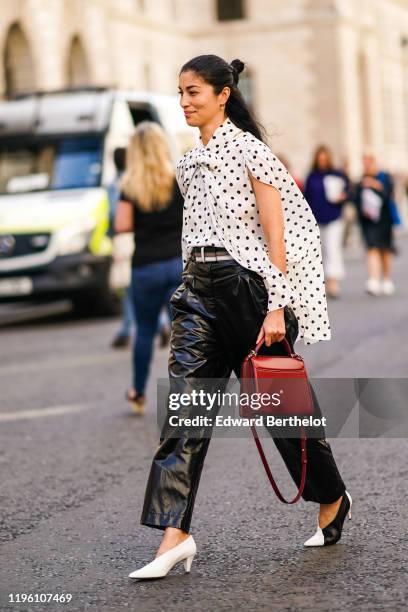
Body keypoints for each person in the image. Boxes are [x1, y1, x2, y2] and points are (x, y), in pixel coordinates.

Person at [129, 55, 351, 580]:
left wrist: (277, 304)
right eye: (180, 93)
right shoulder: (186, 162)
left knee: (281, 416)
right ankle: (174, 535)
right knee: (184, 415)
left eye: (194, 92)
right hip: (197, 294)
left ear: (223, 94)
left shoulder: (251, 152)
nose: (184, 102)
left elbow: (278, 235)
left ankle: (332, 496)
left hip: (251, 293)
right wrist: (187, 283)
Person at [114, 121, 184, 414]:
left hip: (145, 266)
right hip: (178, 263)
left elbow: (122, 224)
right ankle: (185, 396)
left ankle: (138, 393)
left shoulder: (129, 186)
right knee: (182, 333)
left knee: (144, 331)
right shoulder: (177, 179)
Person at [304, 145, 350, 299]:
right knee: (320, 251)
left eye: (325, 158)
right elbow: (306, 198)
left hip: (334, 217)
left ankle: (333, 282)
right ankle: (321, 282)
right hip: (316, 219)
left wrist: (343, 197)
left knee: (332, 248)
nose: (322, 161)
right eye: (320, 159)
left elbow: (348, 191)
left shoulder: (337, 174)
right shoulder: (312, 176)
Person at [354, 152, 396, 296]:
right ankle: (373, 280)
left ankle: (386, 279)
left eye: (367, 161)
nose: (365, 164)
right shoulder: (361, 180)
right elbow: (356, 199)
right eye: (363, 161)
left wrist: (374, 184)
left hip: (384, 219)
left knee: (384, 250)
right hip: (368, 220)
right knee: (371, 247)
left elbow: (388, 194)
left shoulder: (385, 177)